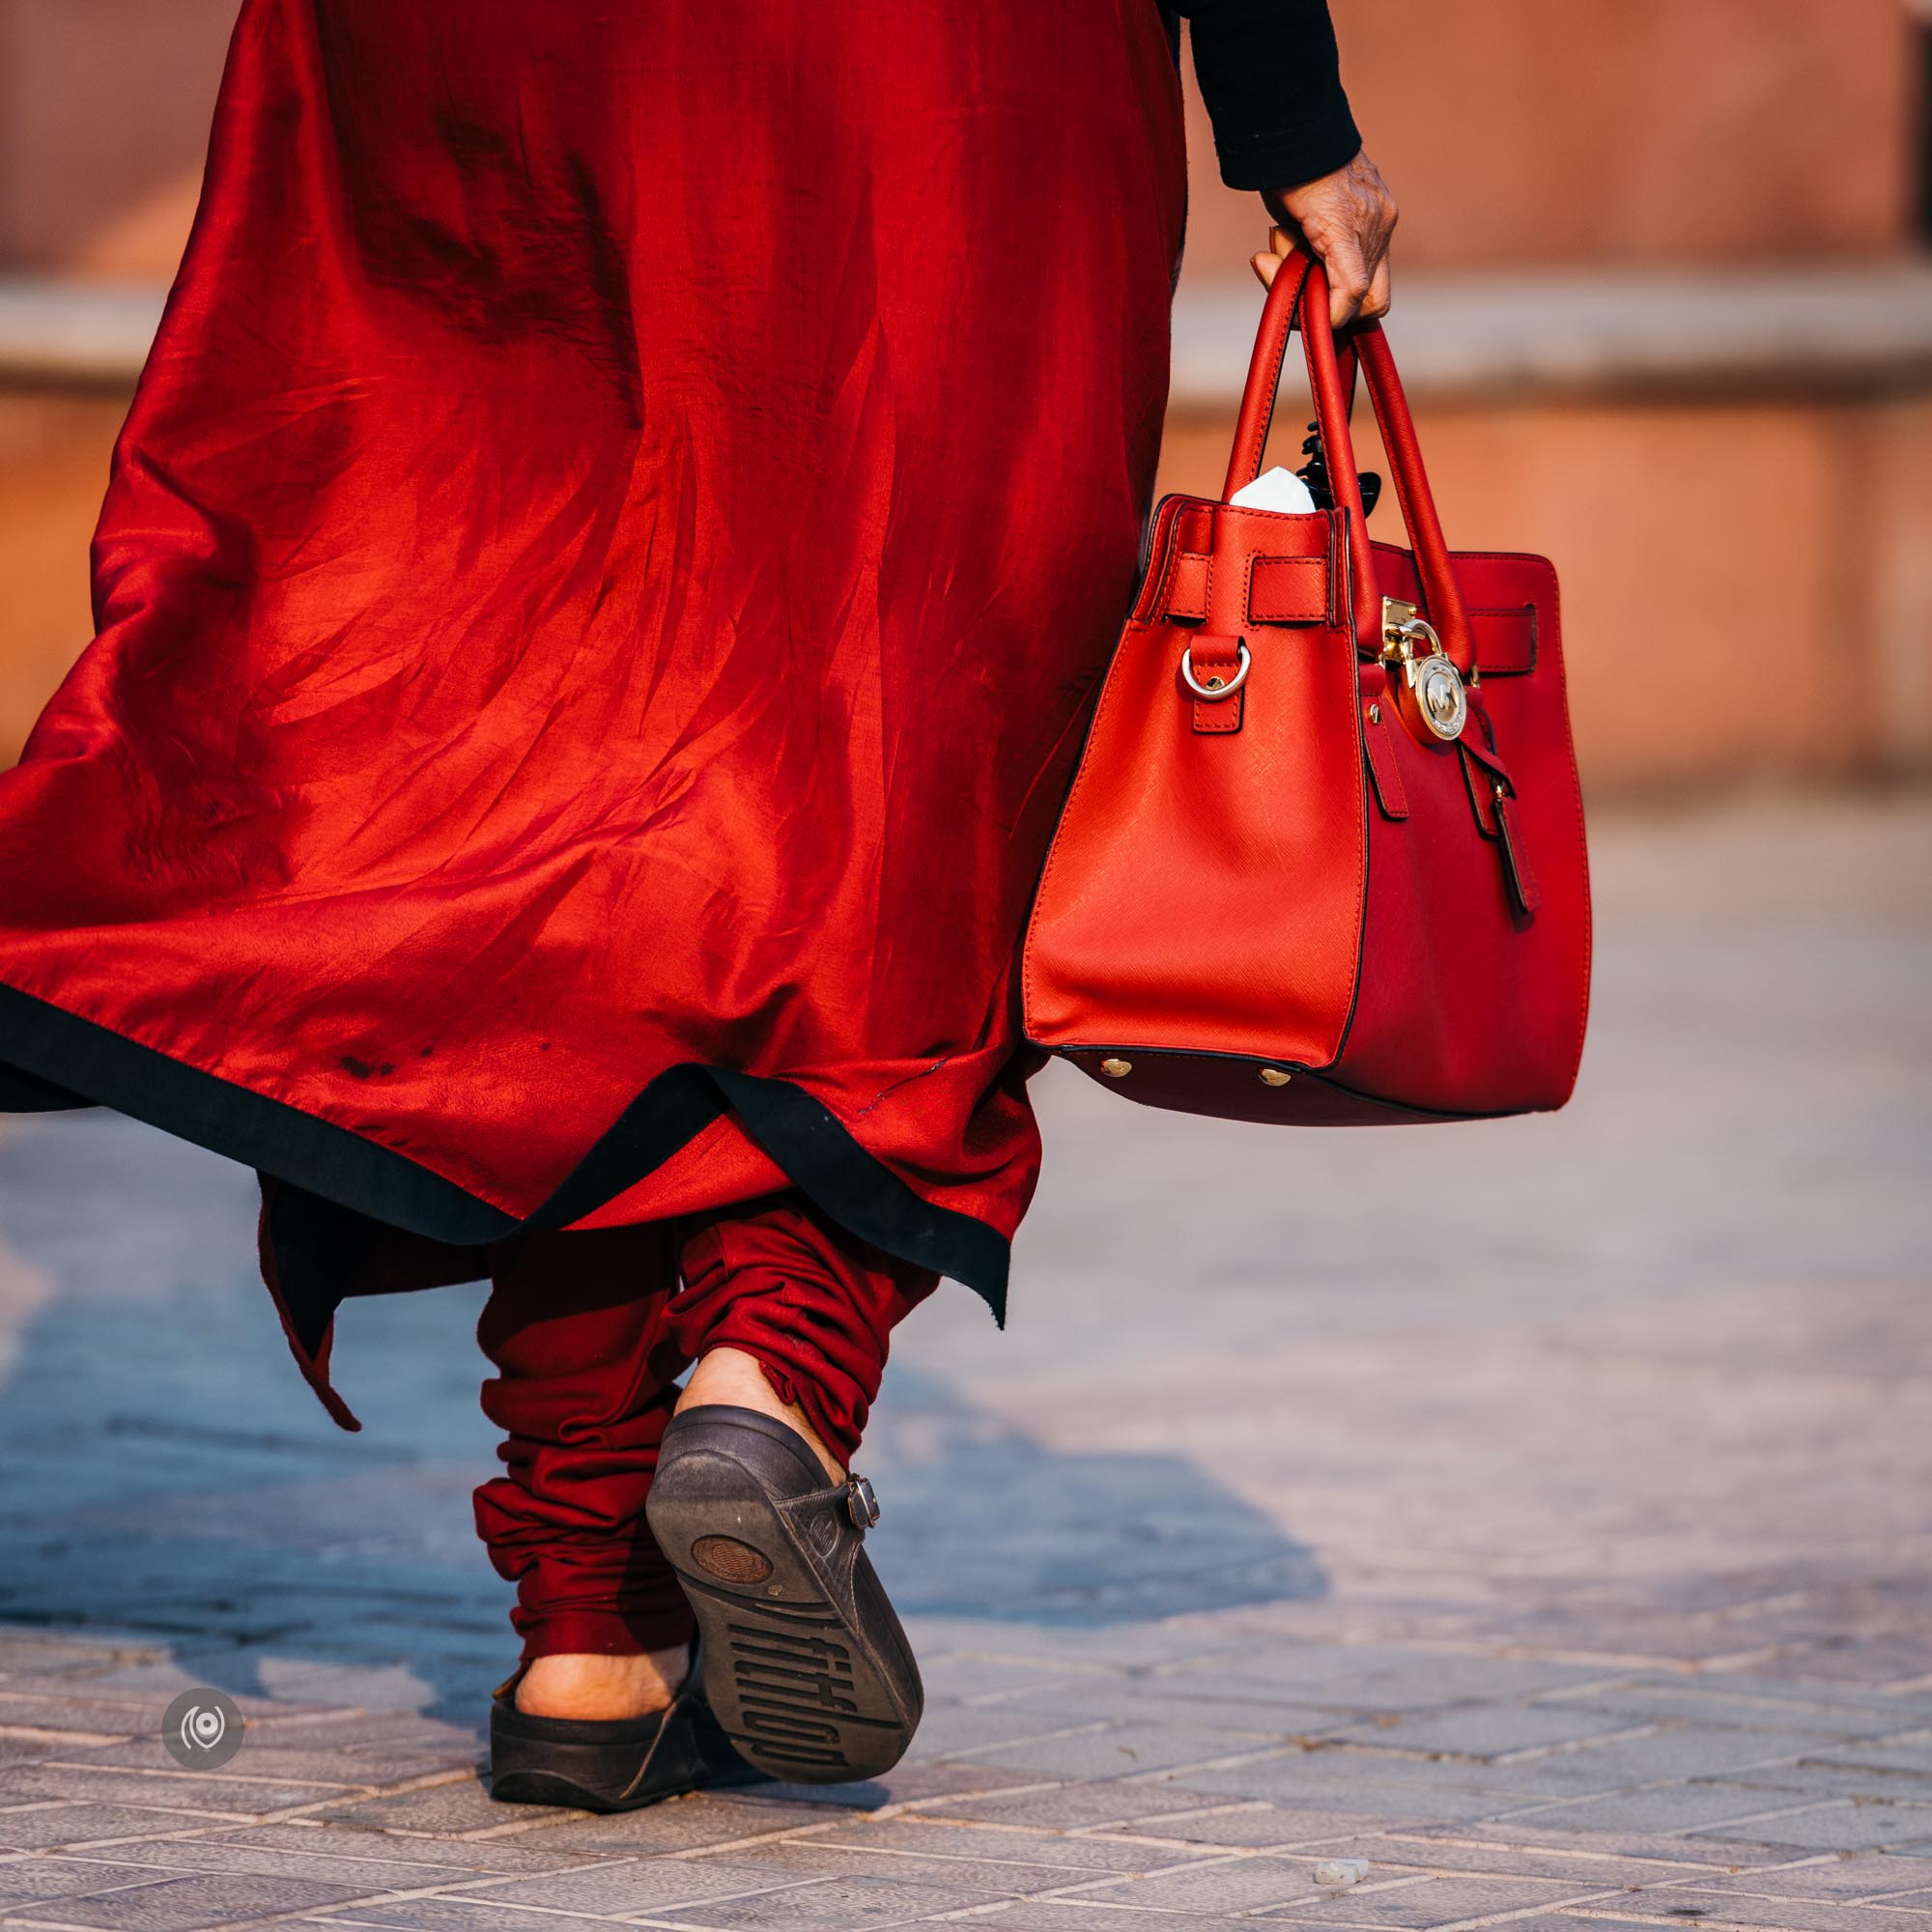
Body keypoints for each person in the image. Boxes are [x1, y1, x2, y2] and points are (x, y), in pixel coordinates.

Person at [0, 0, 1396, 1808]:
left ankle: (593, 1628)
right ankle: (765, 1364)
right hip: (929, 71)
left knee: (531, 743)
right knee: (909, 748)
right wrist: (1291, 107)